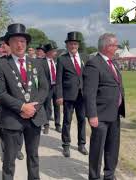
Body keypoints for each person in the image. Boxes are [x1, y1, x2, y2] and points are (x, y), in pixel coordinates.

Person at [0, 23, 48, 180]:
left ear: (27, 43)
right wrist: (22, 107)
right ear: (8, 44)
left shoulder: (37, 63)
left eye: (23, 41)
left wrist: (33, 108)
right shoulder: (0, 64)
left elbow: (44, 89)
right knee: (9, 160)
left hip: (34, 118)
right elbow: (0, 93)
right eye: (15, 41)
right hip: (12, 119)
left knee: (33, 158)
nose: (19, 44)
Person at [84, 33, 125, 180]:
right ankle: (94, 176)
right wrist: (92, 115)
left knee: (113, 147)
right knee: (97, 148)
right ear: (107, 46)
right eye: (115, 45)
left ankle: (109, 174)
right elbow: (89, 92)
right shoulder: (94, 63)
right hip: (100, 115)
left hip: (114, 113)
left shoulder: (112, 62)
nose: (117, 47)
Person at [0, 36, 24, 160]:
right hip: (2, 98)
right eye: (1, 46)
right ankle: (5, 150)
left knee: (20, 125)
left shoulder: (20, 60)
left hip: (19, 99)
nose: (1, 48)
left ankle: (18, 149)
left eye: (4, 45)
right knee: (4, 126)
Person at [56, 31, 89, 157]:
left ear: (78, 45)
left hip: (82, 95)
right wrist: (59, 95)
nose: (73, 46)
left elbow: (88, 76)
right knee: (67, 121)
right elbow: (58, 79)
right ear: (67, 45)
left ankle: (81, 144)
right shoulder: (62, 59)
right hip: (68, 95)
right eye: (71, 44)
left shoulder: (85, 57)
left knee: (82, 120)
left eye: (75, 44)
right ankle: (66, 145)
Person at [42, 42, 61, 134]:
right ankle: (46, 124)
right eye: (54, 51)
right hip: (47, 87)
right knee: (47, 106)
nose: (55, 53)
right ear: (49, 52)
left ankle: (57, 124)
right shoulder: (42, 62)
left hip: (56, 87)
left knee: (57, 105)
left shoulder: (57, 61)